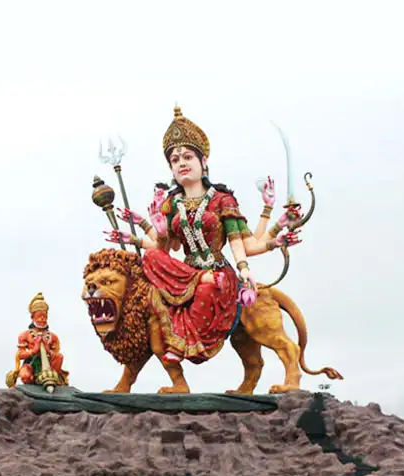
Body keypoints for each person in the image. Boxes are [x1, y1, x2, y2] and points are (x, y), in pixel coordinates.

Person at [106, 106, 303, 383]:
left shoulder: (222, 200)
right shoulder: (171, 204)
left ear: (203, 161)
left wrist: (247, 266)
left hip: (217, 274)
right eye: (175, 160)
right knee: (149, 260)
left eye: (188, 157)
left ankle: (185, 343)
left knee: (208, 286)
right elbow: (166, 250)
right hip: (186, 274)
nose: (181, 163)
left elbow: (239, 243)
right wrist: (149, 232)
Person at [5, 292, 70, 387]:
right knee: (25, 376)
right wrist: (34, 350)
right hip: (31, 363)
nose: (42, 319)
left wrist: (48, 350)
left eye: (45, 316)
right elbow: (20, 355)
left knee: (59, 357)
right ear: (32, 317)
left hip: (49, 365)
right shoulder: (25, 335)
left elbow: (57, 355)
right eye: (39, 316)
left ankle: (52, 378)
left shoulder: (53, 337)